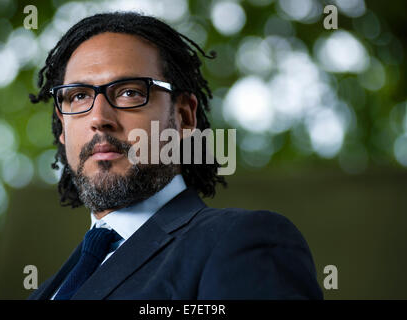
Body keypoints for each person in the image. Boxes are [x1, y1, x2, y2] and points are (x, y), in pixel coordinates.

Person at [27, 11, 323, 300]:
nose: (99, 117)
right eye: (79, 96)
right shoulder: (47, 290)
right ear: (62, 127)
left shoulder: (243, 241)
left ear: (183, 116)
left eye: (129, 92)